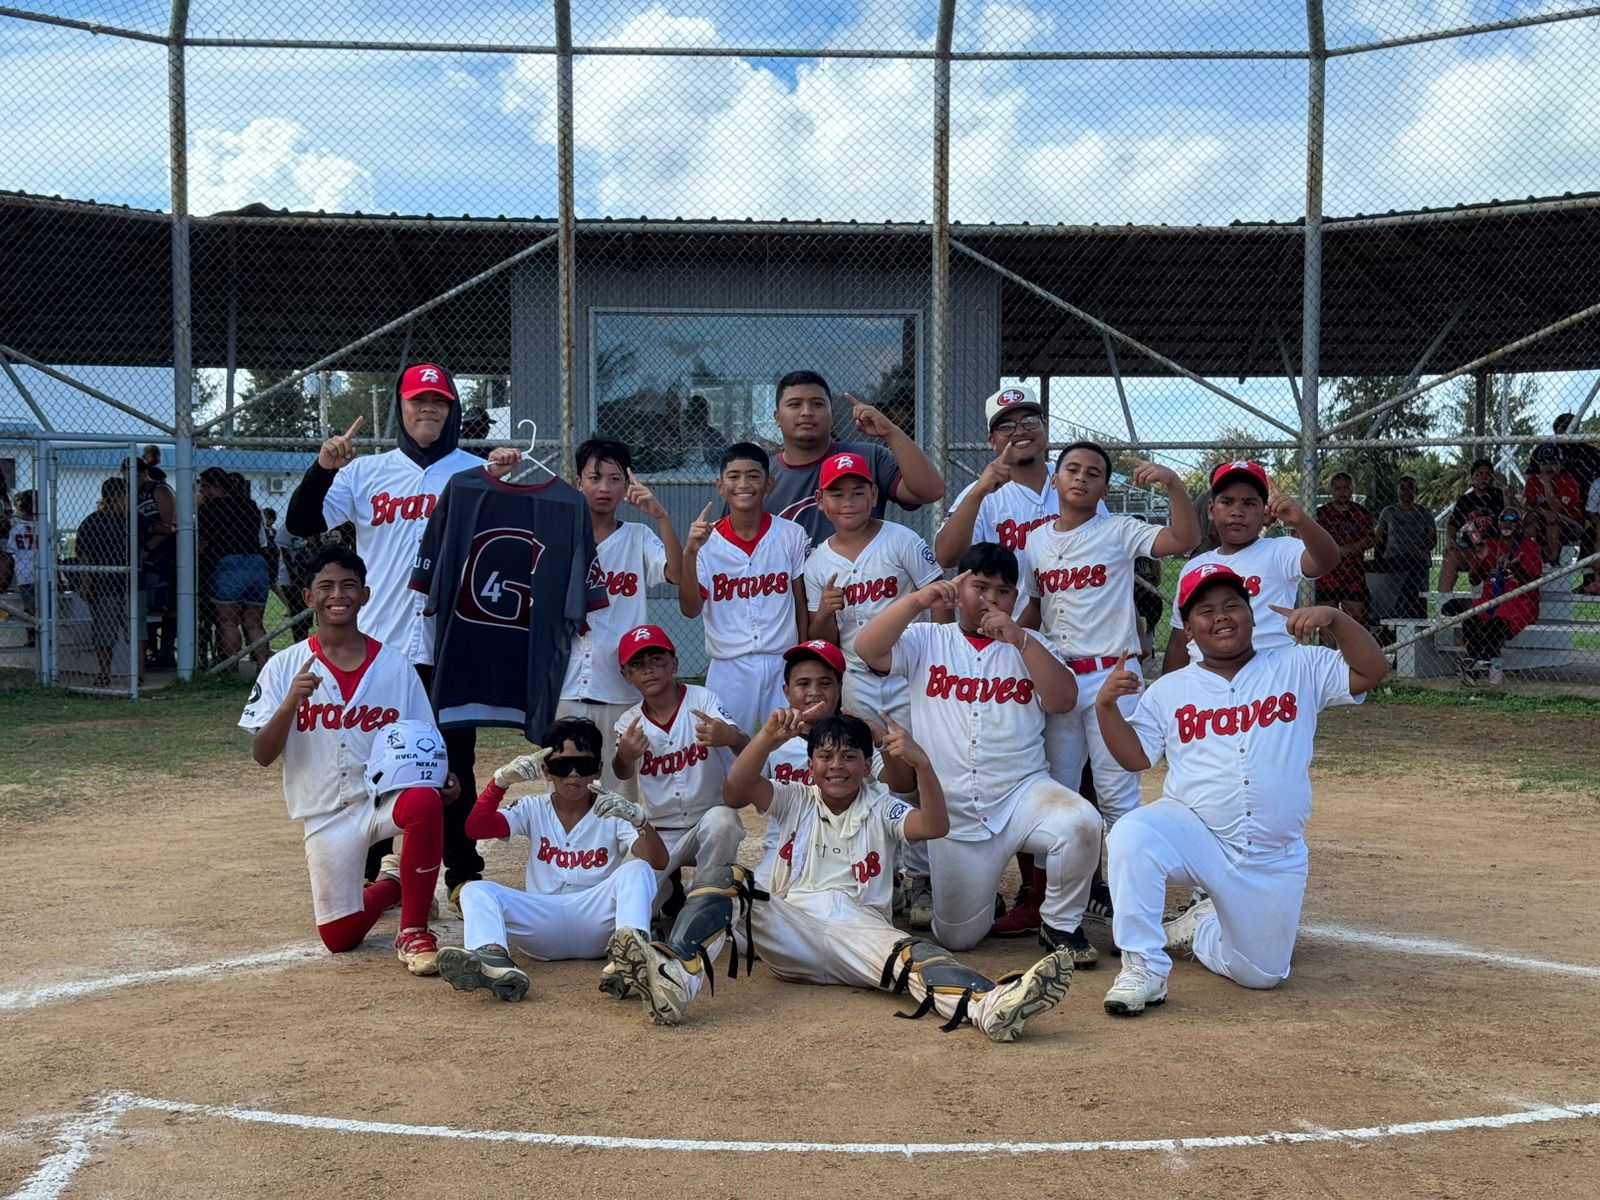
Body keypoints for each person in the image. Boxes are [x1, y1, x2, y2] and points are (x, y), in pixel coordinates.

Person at [605, 711, 1075, 1041]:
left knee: (917, 956)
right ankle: (675, 979)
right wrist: (766, 738)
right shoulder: (794, 798)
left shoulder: (882, 803)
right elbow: (736, 787)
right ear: (810, 765)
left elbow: (934, 826)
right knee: (723, 879)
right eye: (825, 757)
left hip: (858, 928)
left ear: (866, 765)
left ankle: (990, 1007)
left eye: (849, 756)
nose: (836, 766)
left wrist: (922, 764)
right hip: (790, 925)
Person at [1092, 564, 1388, 1015]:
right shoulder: (1171, 689)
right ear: (1188, 629)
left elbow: (1372, 671)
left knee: (1262, 975)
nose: (1221, 616)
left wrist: (1336, 618)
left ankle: (1203, 927)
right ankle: (1143, 968)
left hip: (1271, 855)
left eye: (1232, 605)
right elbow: (1135, 758)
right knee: (1131, 833)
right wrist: (1106, 706)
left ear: (1251, 615)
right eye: (1205, 611)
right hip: (1196, 834)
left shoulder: (1297, 665)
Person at [285, 363, 518, 903]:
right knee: (374, 760)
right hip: (382, 639)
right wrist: (322, 467)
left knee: (456, 759)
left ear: (451, 409)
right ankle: (373, 868)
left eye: (438, 400)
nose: (428, 409)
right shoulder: (366, 472)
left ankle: (462, 873)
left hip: (452, 639)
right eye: (418, 400)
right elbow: (301, 522)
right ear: (402, 407)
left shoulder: (476, 472)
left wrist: (505, 472)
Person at [855, 543, 1104, 964]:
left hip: (1022, 794)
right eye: (979, 586)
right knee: (958, 939)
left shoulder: (1030, 644)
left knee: (1081, 823)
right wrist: (919, 599)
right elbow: (867, 648)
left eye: (1003, 591)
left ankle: (1060, 923)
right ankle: (984, 901)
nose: (990, 598)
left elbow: (1063, 700)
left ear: (1016, 598)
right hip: (953, 811)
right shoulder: (929, 638)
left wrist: (1022, 639)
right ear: (958, 587)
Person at [1007, 442, 1199, 937]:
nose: (1081, 478)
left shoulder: (1117, 530)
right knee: (1058, 795)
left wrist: (1173, 484)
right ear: (1055, 480)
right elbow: (1034, 608)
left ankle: (1129, 909)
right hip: (1058, 677)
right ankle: (1055, 911)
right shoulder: (1034, 543)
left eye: (1093, 473)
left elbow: (1184, 538)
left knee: (1119, 799)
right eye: (1071, 469)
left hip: (1112, 676)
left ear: (1105, 488)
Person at [239, 546, 450, 975]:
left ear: (366, 594)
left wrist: (443, 780)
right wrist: (289, 705)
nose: (339, 595)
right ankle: (393, 884)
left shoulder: (395, 666)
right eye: (326, 586)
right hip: (325, 811)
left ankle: (413, 931)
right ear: (307, 597)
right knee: (340, 938)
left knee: (426, 801)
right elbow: (262, 756)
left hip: (383, 798)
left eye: (349, 585)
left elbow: (425, 741)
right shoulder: (284, 667)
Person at [436, 717, 670, 1003]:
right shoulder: (533, 807)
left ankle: (630, 953)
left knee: (637, 868)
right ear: (546, 771)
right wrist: (500, 783)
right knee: (474, 889)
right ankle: (492, 960)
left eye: (583, 766)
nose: (573, 775)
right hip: (540, 924)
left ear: (597, 769)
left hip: (598, 925)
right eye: (562, 766)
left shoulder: (612, 809)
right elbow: (476, 829)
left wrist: (639, 820)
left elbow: (658, 861)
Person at [738, 639, 914, 892]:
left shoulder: (856, 734)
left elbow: (902, 784)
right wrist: (761, 741)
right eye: (803, 684)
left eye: (825, 683)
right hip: (786, 848)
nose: (814, 692)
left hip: (853, 850)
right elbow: (737, 793)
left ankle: (889, 883)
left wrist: (882, 742)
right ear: (787, 691)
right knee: (760, 907)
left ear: (839, 688)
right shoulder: (775, 739)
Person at [558, 438, 683, 790]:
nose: (604, 488)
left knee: (621, 792)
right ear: (578, 481)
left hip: (621, 687)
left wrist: (661, 516)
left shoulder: (637, 537)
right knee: (569, 786)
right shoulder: (558, 537)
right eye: (595, 478)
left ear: (628, 486)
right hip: (566, 685)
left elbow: (676, 572)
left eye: (615, 479)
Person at [611, 625, 749, 909]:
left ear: (674, 663)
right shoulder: (629, 721)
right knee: (624, 908)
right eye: (638, 665)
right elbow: (622, 771)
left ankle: (703, 899)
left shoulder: (703, 699)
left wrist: (729, 736)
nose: (648, 670)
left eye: (656, 660)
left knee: (724, 822)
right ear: (627, 676)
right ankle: (667, 895)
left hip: (707, 819)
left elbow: (744, 745)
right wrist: (624, 755)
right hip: (659, 831)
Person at [678, 443, 810, 733]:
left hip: (782, 659)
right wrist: (689, 553)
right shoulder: (705, 540)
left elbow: (800, 602)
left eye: (753, 475)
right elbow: (689, 610)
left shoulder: (791, 534)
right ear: (720, 485)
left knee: (791, 749)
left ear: (769, 484)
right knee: (724, 752)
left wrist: (802, 657)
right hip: (729, 666)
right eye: (734, 476)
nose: (743, 484)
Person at [1163, 460, 1340, 671]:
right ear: (1211, 509)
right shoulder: (1195, 566)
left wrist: (1300, 520)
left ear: (1265, 513)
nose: (1237, 511)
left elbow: (1326, 559)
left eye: (1249, 503)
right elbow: (1179, 638)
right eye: (1227, 502)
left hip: (1271, 672)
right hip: (1206, 679)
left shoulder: (1279, 551)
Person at [764, 369, 944, 546]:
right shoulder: (761, 476)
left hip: (867, 575)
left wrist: (890, 431)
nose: (807, 412)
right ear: (777, 417)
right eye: (795, 404)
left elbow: (930, 491)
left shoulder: (867, 457)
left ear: (832, 415)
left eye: (817, 404)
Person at [933, 385, 1056, 590]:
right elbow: (946, 557)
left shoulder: (1073, 481)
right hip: (1005, 619)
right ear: (993, 441)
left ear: (1045, 427)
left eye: (1029, 420)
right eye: (1006, 426)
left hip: (1072, 618)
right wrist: (977, 494)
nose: (1020, 430)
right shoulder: (979, 494)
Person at [1441, 511, 1542, 684]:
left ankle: (1477, 665)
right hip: (1489, 599)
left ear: (1518, 525)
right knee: (1471, 620)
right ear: (1498, 524)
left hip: (1519, 600)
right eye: (1504, 519)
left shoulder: (1529, 547)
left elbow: (1532, 581)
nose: (1507, 523)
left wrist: (1517, 569)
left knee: (1497, 624)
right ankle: (1479, 662)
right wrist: (1480, 560)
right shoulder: (1489, 544)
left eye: (1512, 520)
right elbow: (1474, 580)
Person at [196, 466, 270, 672]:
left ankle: (232, 668)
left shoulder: (208, 509)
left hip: (228, 564)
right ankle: (263, 666)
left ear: (213, 487)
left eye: (204, 487)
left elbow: (202, 542)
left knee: (228, 622)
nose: (202, 492)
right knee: (254, 623)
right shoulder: (249, 505)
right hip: (256, 563)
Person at [75, 476, 139, 687]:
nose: (129, 503)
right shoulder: (93, 522)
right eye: (125, 498)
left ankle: (136, 674)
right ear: (114, 498)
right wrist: (86, 581)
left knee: (137, 631)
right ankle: (105, 672)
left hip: (131, 584)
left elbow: (160, 529)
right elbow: (84, 554)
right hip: (105, 585)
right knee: (104, 633)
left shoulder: (132, 519)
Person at [1313, 471, 1376, 637]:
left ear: (1352, 489)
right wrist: (1331, 550)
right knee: (1326, 616)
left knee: (1356, 615)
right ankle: (1327, 655)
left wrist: (1348, 549)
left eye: (1346, 488)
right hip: (1327, 572)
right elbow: (1314, 536)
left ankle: (1354, 654)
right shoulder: (1322, 513)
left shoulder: (1361, 513)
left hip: (1353, 571)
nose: (1342, 492)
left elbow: (1370, 538)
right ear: (1332, 490)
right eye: (1338, 488)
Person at [1372, 473, 1437, 620]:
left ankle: (1420, 629)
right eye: (1402, 488)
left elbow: (1432, 538)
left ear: (1416, 491)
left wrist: (1424, 550)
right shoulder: (1388, 512)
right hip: (1394, 562)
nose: (1406, 491)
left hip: (1418, 561)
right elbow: (1378, 536)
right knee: (1394, 600)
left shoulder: (1424, 512)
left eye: (1410, 488)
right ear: (1397, 490)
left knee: (1419, 599)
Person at [1438, 459, 1505, 593]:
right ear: (1473, 477)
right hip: (1469, 547)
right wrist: (1450, 541)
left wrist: (1506, 492)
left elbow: (1512, 515)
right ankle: (1443, 601)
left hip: (1494, 548)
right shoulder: (1465, 500)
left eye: (1487, 474)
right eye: (1479, 474)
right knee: (1450, 555)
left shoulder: (1499, 495)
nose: (1483, 478)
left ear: (1492, 477)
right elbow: (1452, 525)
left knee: (1488, 554)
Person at [1551, 414, 1600, 588]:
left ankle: (1591, 580)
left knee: (1590, 534)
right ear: (1556, 430)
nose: (1569, 430)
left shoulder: (1589, 452)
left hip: (1583, 510)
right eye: (1564, 427)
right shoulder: (1548, 451)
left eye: (1573, 426)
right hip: (1559, 512)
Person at [1522, 444, 1584, 567]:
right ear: (1539, 465)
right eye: (1544, 463)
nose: (1548, 467)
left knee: (1553, 520)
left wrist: (1546, 484)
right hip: (1542, 519)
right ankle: (1530, 555)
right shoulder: (1533, 480)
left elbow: (1557, 509)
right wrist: (1543, 512)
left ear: (1561, 465)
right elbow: (1527, 505)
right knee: (1529, 518)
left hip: (1570, 523)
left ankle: (1553, 559)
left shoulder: (1568, 481)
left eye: (1553, 463)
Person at [7, 489, 37, 648]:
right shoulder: (45, 526)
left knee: (29, 606)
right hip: (42, 572)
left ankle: (32, 637)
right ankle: (41, 636)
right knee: (42, 606)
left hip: (24, 573)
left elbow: (11, 551)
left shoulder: (16, 528)